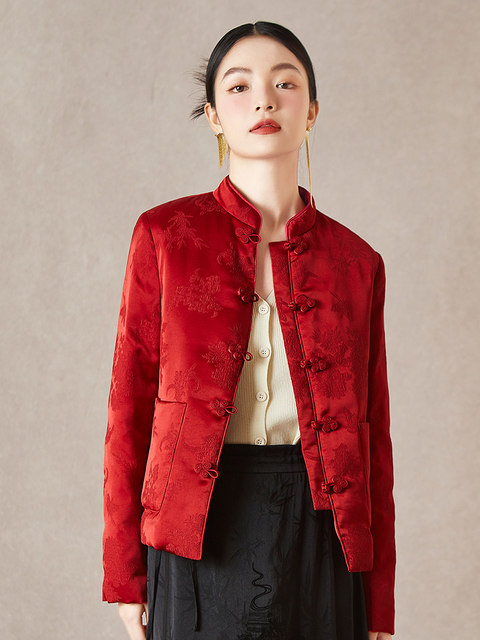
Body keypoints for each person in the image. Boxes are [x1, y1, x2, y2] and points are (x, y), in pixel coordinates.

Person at [102, 21, 396, 640]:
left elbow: (374, 438)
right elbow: (128, 410)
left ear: (311, 111)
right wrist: (124, 575)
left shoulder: (356, 262)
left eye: (285, 84)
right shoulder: (165, 237)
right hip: (195, 528)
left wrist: (380, 602)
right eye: (239, 87)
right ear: (213, 115)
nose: (264, 100)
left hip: (322, 533)